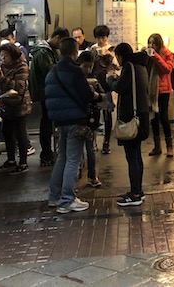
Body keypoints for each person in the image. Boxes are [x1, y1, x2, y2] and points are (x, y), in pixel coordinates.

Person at [45, 37, 100, 213]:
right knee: (73, 160)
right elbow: (86, 95)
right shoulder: (74, 71)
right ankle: (67, 199)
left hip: (59, 121)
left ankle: (54, 196)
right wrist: (96, 96)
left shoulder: (52, 71)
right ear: (75, 52)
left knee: (62, 158)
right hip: (76, 121)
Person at [112, 43, 150, 207]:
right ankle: (138, 191)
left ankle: (135, 194)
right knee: (136, 155)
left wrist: (111, 80)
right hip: (142, 115)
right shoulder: (140, 65)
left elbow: (120, 88)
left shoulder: (129, 66)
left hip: (131, 118)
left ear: (121, 55)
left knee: (132, 157)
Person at [30, 27, 70, 166]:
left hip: (47, 92)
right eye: (61, 42)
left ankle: (48, 152)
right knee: (46, 123)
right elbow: (51, 71)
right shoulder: (43, 52)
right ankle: (46, 153)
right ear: (57, 38)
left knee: (47, 122)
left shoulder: (48, 51)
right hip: (45, 92)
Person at [0, 44, 33, 174]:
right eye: (1, 56)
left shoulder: (22, 66)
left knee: (20, 134)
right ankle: (11, 160)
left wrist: (2, 79)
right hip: (6, 104)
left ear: (13, 56)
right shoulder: (1, 67)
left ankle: (23, 162)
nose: (3, 58)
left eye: (6, 56)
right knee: (7, 132)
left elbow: (19, 87)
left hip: (20, 105)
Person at [90, 24, 118, 155]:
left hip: (106, 86)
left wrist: (110, 57)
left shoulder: (111, 50)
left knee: (107, 115)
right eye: (98, 38)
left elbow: (117, 67)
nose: (101, 41)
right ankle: (93, 141)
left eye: (103, 37)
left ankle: (107, 142)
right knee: (94, 114)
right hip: (95, 85)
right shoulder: (92, 49)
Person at [146, 33, 174, 157]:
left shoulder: (167, 54)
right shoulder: (149, 54)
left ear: (158, 44)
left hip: (164, 90)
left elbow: (167, 69)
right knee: (154, 118)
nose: (151, 46)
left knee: (163, 117)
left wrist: (156, 57)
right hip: (152, 90)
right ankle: (157, 146)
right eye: (149, 43)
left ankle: (170, 147)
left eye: (153, 43)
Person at [78, 51, 103, 187]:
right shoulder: (76, 78)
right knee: (78, 149)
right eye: (85, 66)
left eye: (90, 66)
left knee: (90, 148)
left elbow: (101, 95)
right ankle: (79, 174)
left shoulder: (94, 79)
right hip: (79, 118)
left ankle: (92, 176)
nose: (88, 69)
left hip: (90, 118)